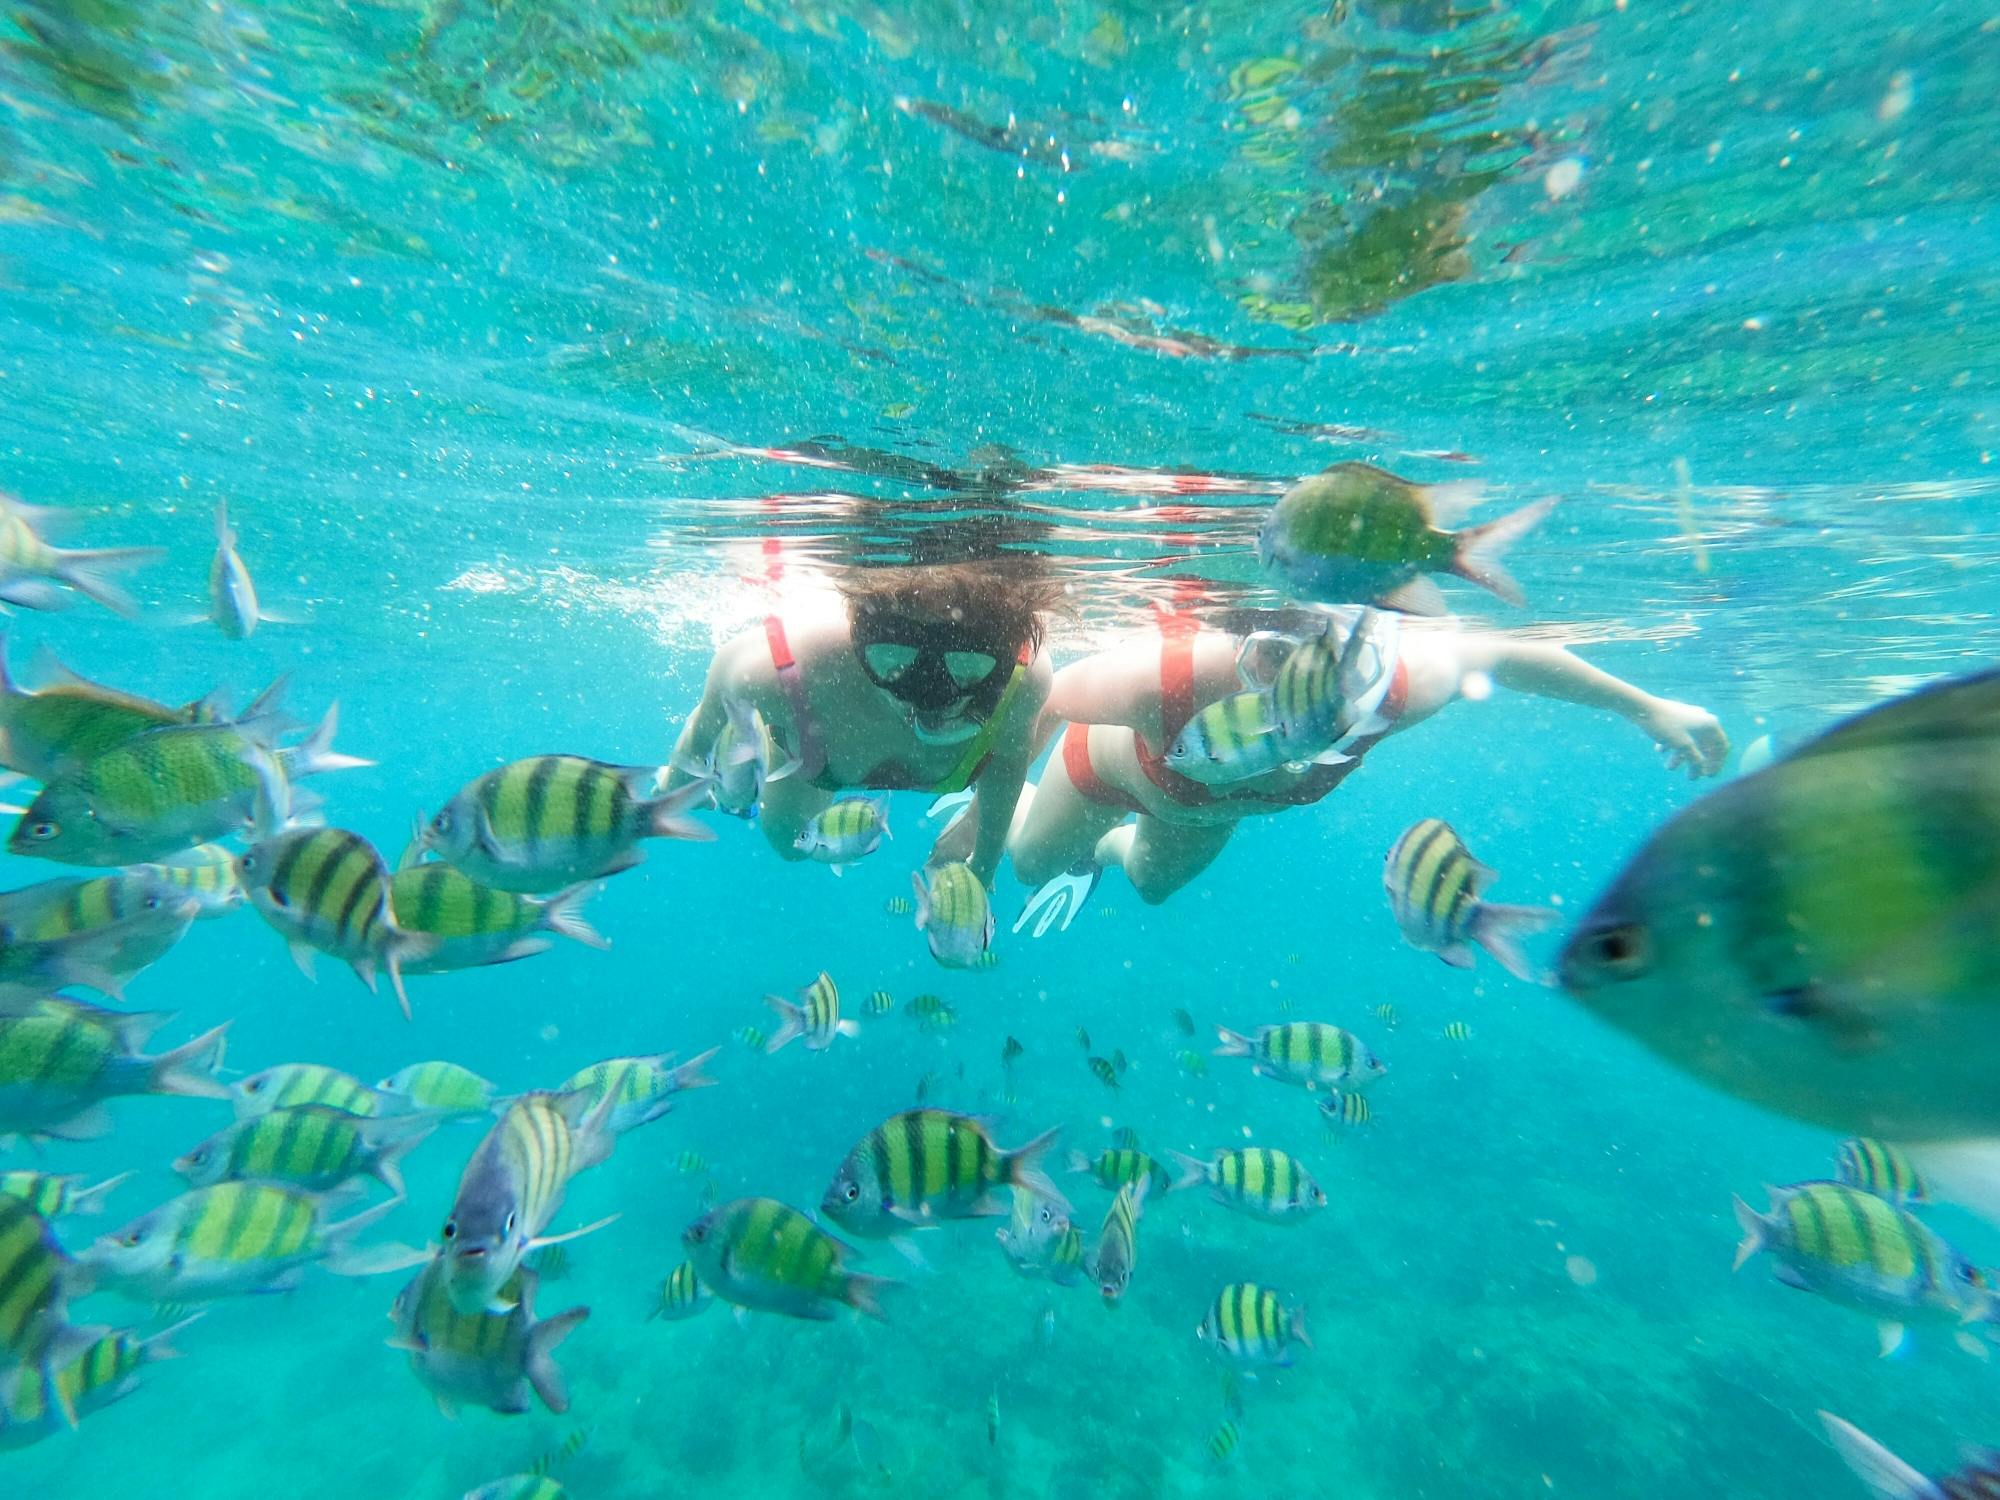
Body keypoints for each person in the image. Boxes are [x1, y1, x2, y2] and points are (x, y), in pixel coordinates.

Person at [1008, 606, 1729, 928]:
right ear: (1251, 656)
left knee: (1148, 884)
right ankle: (1050, 826)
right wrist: (988, 802)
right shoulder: (1162, 680)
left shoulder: (1398, 693)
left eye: (1348, 687)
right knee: (1028, 865)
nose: (1315, 710)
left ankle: (1105, 848)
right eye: (1275, 664)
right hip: (1095, 771)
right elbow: (1041, 695)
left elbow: (1507, 656)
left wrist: (1649, 708)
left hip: (1200, 816)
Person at [668, 561, 1058, 885]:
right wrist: (674, 788)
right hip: (808, 750)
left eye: (968, 670)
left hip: (825, 746)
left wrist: (984, 864)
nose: (928, 696)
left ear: (1006, 656)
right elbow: (713, 709)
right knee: (789, 844)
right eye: (896, 661)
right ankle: (777, 737)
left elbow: (1006, 767)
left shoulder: (1023, 681)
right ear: (859, 636)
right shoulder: (787, 669)